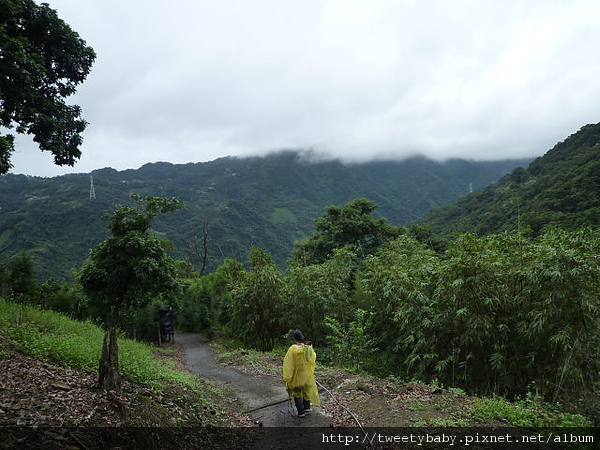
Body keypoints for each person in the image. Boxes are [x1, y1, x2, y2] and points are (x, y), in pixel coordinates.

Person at [282, 330, 320, 418]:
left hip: (296, 376)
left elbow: (289, 365)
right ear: (302, 337)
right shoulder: (307, 348)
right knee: (306, 390)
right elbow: (311, 359)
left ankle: (301, 412)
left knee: (297, 392)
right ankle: (307, 407)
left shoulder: (292, 350)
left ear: (294, 338)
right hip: (306, 375)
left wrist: (287, 378)